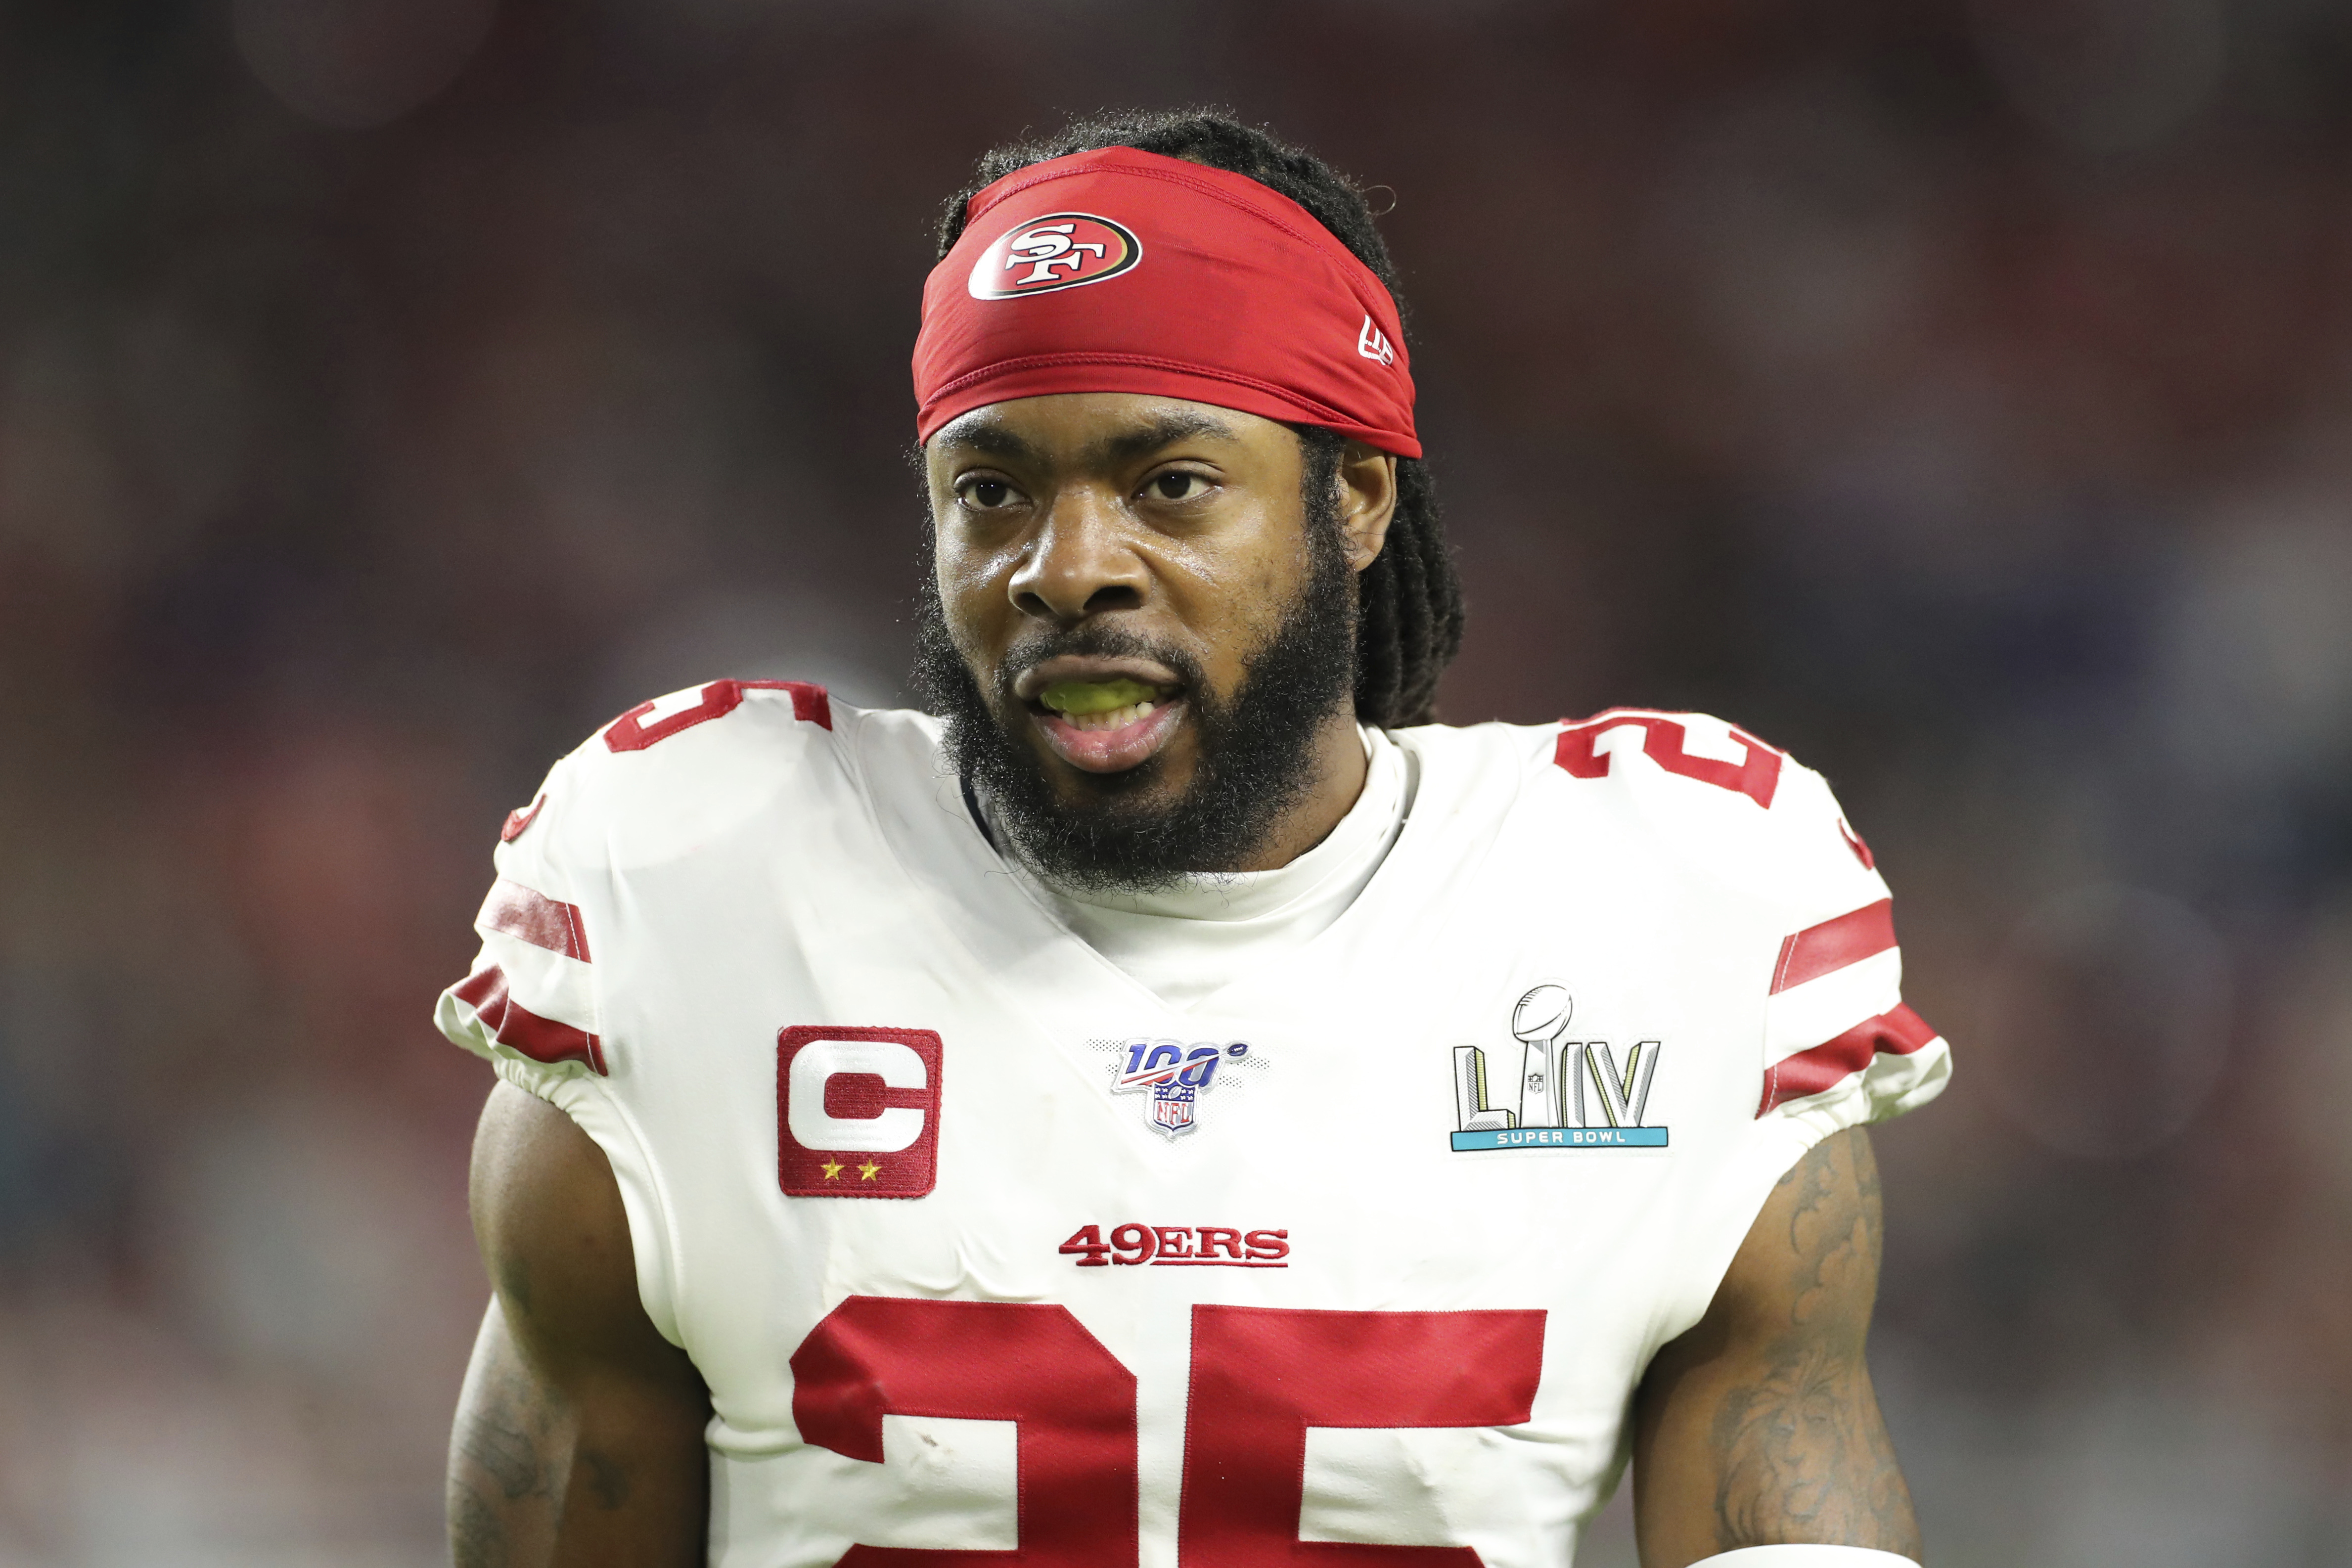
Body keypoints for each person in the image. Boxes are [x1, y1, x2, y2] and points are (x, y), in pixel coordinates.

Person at [437, 109, 1951, 1568]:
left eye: (1169, 485)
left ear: (1353, 498)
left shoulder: (1666, 904)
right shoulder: (697, 886)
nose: (1067, 567)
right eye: (992, 489)